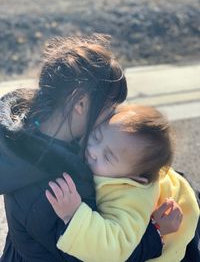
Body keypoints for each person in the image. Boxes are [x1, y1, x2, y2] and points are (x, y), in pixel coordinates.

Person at [0, 35, 164, 262]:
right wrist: (156, 234)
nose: (113, 116)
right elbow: (94, 254)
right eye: (110, 107)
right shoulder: (56, 188)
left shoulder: (36, 128)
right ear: (80, 103)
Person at [46, 104, 199, 262]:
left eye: (108, 157)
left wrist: (73, 215)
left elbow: (115, 247)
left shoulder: (129, 197)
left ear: (134, 178)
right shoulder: (120, 165)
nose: (93, 150)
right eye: (97, 136)